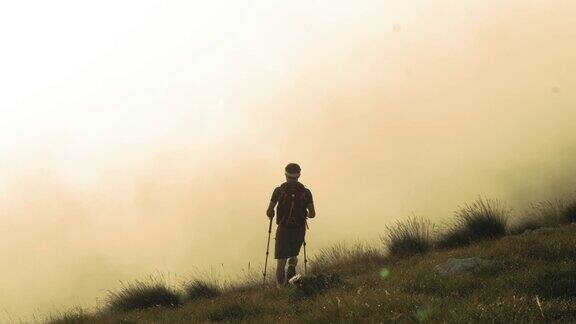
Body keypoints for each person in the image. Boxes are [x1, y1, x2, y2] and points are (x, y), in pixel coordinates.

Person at [266, 163, 316, 286]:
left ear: (285, 174)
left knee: (281, 262)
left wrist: (271, 214)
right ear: (299, 174)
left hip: (283, 229)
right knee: (294, 253)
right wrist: (305, 214)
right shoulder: (306, 192)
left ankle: (281, 289)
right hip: (299, 229)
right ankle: (292, 266)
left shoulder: (278, 191)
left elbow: (269, 211)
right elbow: (313, 214)